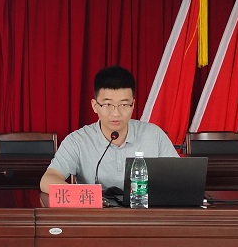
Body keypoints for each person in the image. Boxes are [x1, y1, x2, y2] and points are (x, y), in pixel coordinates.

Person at [39, 65, 178, 192]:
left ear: (133, 105)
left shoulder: (154, 135)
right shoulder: (77, 141)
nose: (116, 113)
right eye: (107, 105)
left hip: (144, 210)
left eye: (124, 105)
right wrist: (87, 197)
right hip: (96, 211)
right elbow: (48, 179)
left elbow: (179, 177)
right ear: (95, 106)